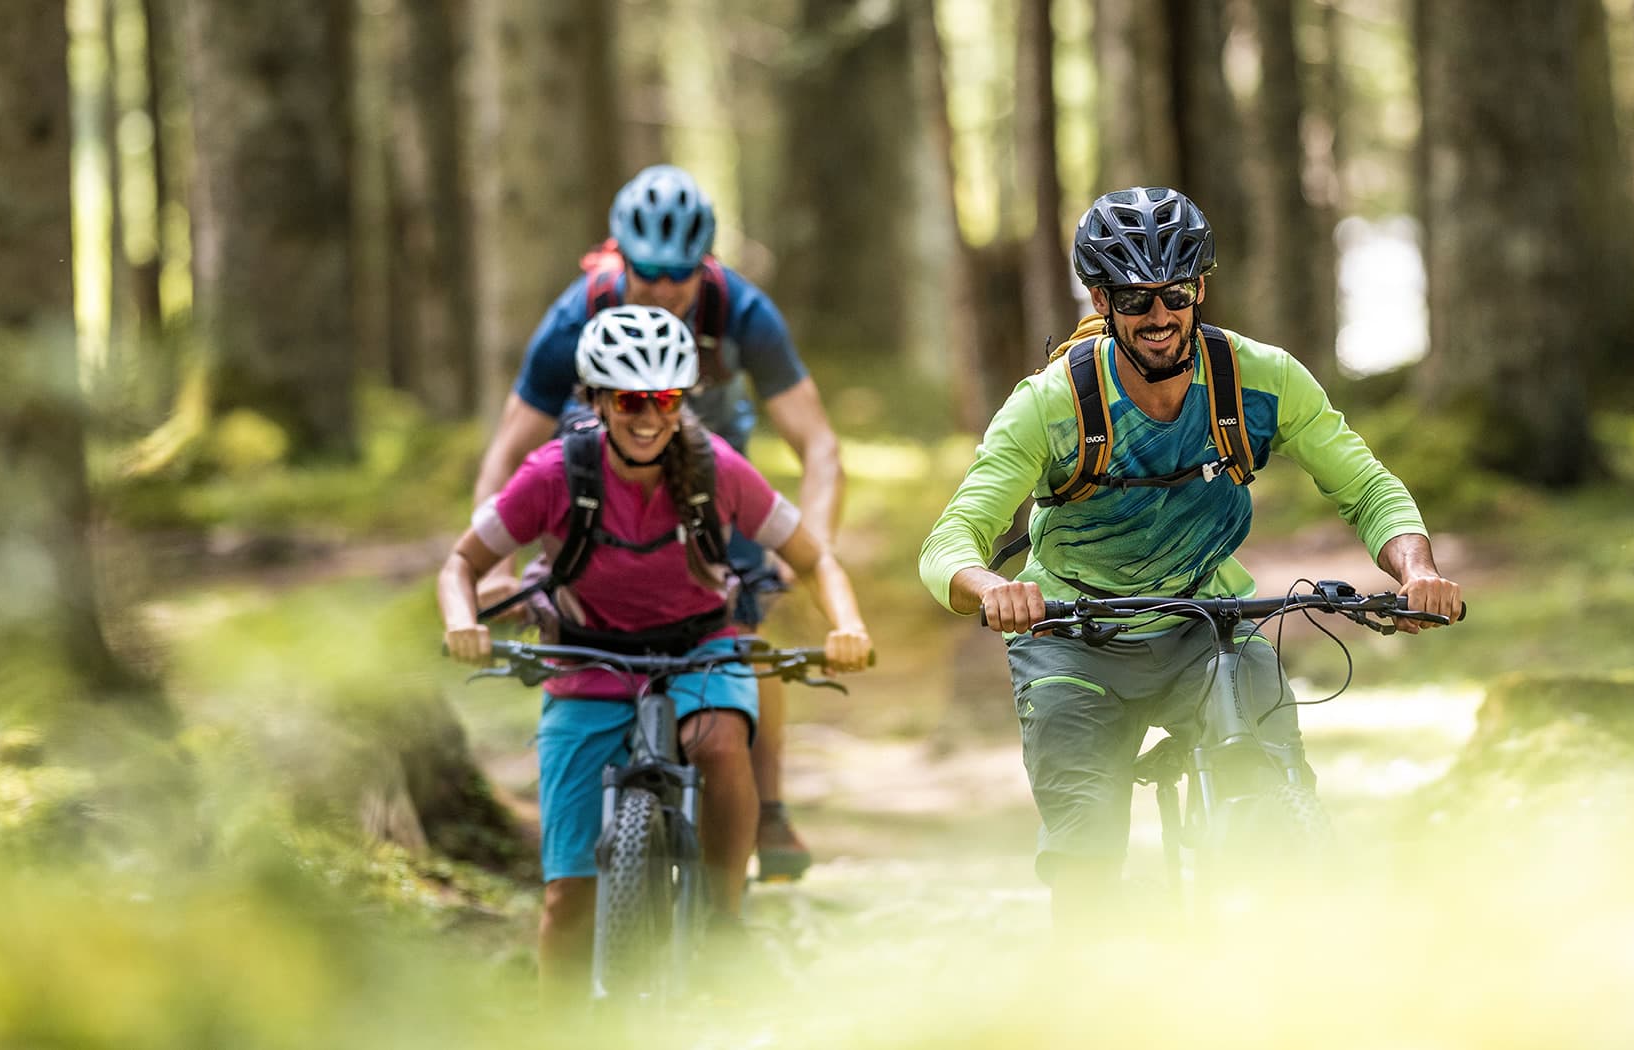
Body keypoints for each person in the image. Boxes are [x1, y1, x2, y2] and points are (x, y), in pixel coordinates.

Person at [917, 186, 1462, 926]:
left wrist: (1416, 572)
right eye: (1136, 299)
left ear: (1199, 288)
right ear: (1102, 300)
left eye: (1175, 293)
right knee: (1085, 860)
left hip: (1208, 622)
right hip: (1074, 639)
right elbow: (952, 537)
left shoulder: (1255, 379)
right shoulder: (1052, 405)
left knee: (1276, 785)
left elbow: (1365, 486)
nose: (1160, 316)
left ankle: (1309, 948)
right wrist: (990, 590)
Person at [443, 305, 872, 995]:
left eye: (663, 399)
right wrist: (462, 620)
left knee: (721, 743)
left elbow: (813, 558)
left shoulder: (717, 468)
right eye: (630, 400)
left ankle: (725, 922)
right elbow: (459, 564)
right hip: (584, 663)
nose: (647, 417)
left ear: (682, 400)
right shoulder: (552, 474)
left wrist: (846, 626)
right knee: (567, 902)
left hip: (699, 648)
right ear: (599, 399)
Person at [472, 163, 845, 881]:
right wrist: (490, 570)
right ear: (619, 255)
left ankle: (766, 809)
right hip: (604, 485)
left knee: (744, 630)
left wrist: (809, 548)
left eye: (681, 275)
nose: (664, 289)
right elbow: (507, 451)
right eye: (647, 271)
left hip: (716, 485)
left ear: (705, 263)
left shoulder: (741, 311)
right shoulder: (574, 314)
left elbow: (819, 444)